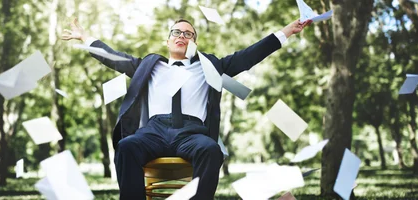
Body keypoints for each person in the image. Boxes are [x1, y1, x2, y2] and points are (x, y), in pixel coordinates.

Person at [62, 17, 311, 200]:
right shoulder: (149, 65)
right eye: (177, 32)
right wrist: (86, 38)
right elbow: (113, 57)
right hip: (154, 131)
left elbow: (248, 56)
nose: (182, 36)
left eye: (188, 34)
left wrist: (286, 31)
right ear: (168, 39)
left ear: (194, 43)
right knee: (126, 147)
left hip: (192, 133)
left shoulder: (210, 66)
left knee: (212, 150)